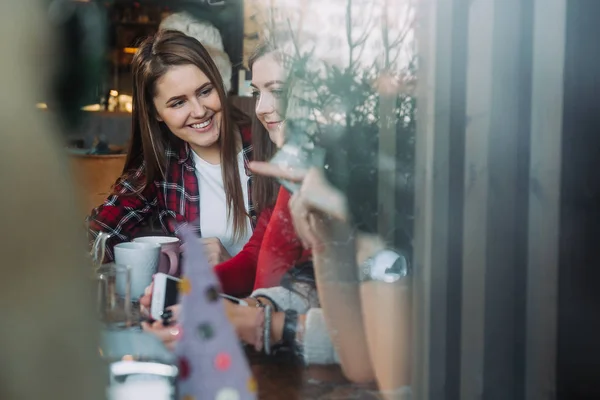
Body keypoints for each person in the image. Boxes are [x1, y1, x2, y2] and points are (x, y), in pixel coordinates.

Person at [87, 30, 258, 269]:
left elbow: (303, 261)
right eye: (178, 102)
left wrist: (234, 266)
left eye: (205, 91)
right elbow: (99, 232)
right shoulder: (163, 162)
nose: (199, 111)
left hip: (268, 303)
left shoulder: (266, 146)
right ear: (155, 113)